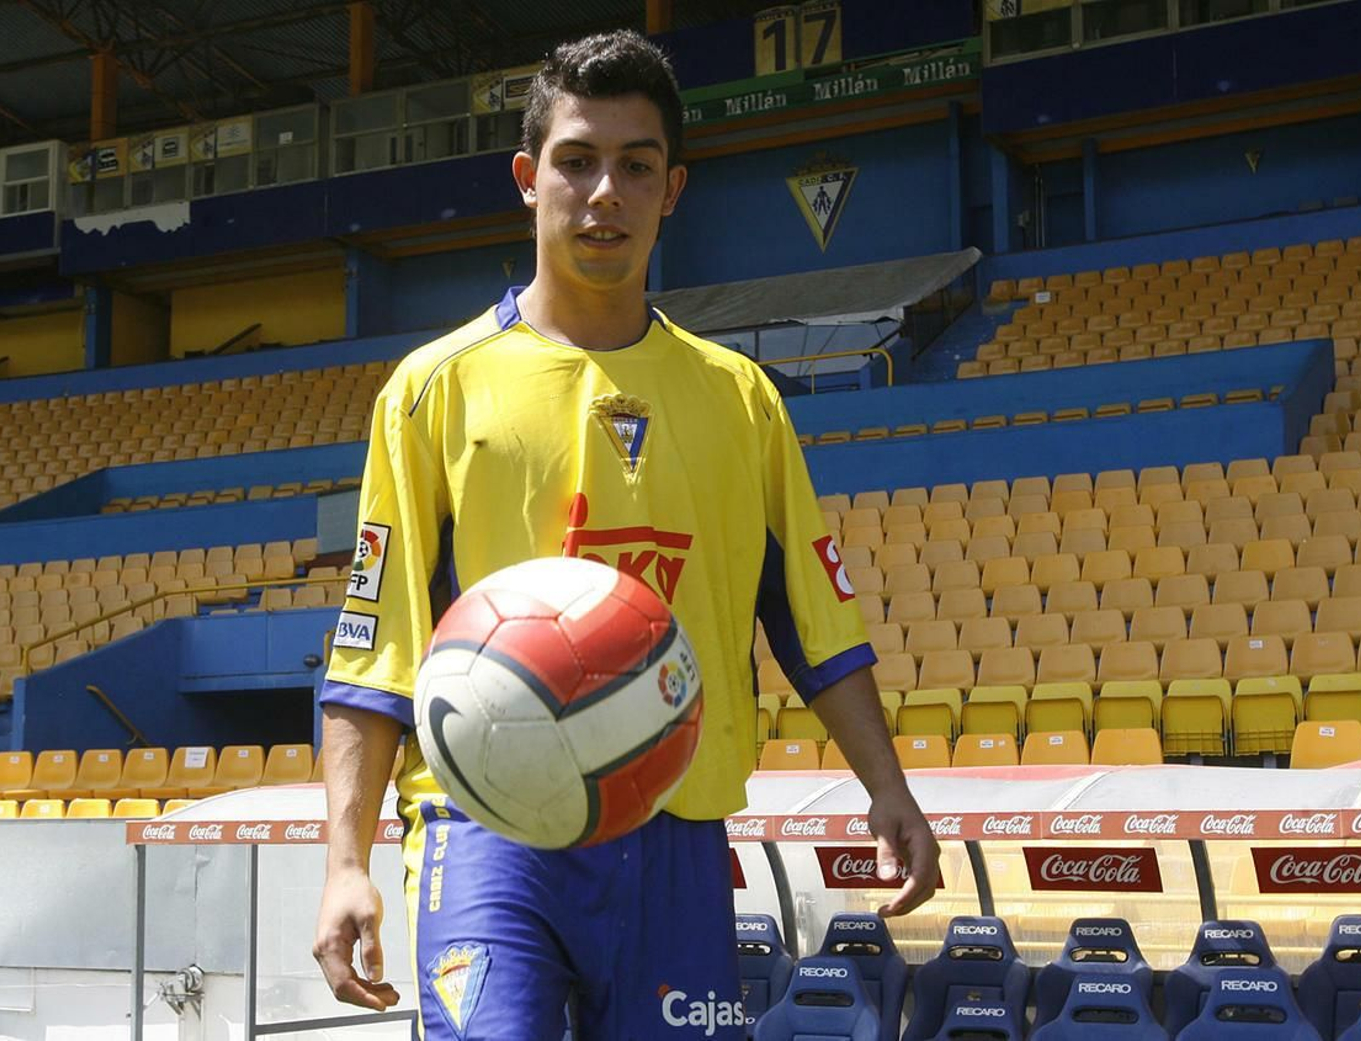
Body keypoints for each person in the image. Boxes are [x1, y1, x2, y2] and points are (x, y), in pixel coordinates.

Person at [312, 30, 939, 1038]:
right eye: (576, 161)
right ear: (527, 178)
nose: (604, 192)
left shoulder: (739, 398)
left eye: (635, 167)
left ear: (672, 190)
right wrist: (345, 862)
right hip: (488, 825)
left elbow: (814, 619)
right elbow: (373, 652)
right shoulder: (431, 389)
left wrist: (889, 790)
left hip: (676, 827)